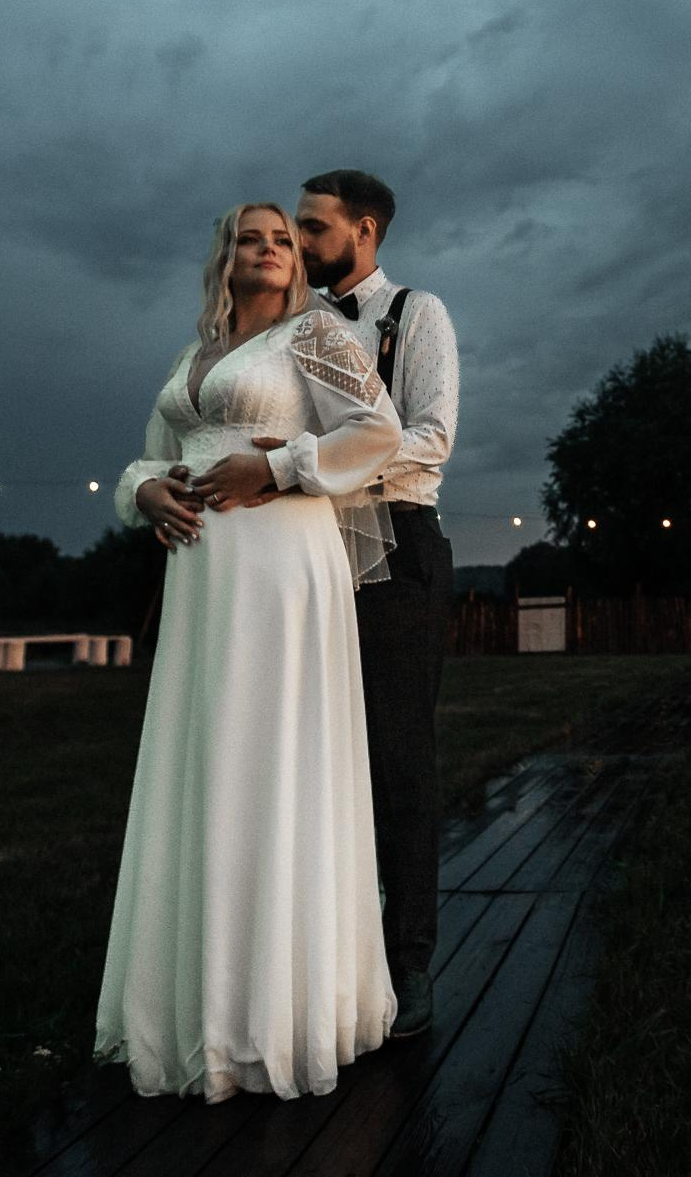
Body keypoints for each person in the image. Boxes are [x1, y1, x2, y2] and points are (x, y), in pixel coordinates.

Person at [94, 201, 406, 1100]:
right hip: (199, 582)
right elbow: (151, 458)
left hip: (280, 566)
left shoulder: (312, 338)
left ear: (295, 261)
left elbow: (377, 432)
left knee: (274, 765)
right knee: (204, 767)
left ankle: (281, 1011)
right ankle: (197, 1010)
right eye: (249, 238)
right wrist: (146, 495)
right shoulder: (192, 356)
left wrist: (275, 467)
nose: (268, 249)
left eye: (282, 238)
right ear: (223, 257)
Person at [293, 168, 459, 1038]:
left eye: (314, 228)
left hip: (399, 545)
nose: (301, 242)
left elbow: (430, 438)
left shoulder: (416, 315)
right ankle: (333, 956)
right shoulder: (301, 331)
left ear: (364, 230)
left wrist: (319, 467)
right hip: (312, 554)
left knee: (399, 761)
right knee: (321, 761)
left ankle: (413, 963)